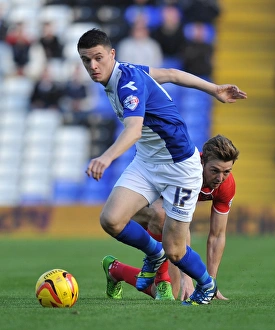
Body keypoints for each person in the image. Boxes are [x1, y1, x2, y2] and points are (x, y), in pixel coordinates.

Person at [77, 28, 247, 306]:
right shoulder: (126, 72)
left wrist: (105, 158)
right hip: (147, 161)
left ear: (112, 54)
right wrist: (214, 89)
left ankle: (206, 284)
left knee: (177, 251)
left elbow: (134, 130)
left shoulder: (126, 84)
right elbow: (171, 74)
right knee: (111, 220)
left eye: (98, 58)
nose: (93, 66)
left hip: (180, 167)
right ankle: (154, 254)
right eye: (86, 61)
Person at [101, 134, 239, 301]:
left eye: (226, 172)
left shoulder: (226, 185)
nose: (220, 178)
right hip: (141, 208)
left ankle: (115, 270)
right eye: (215, 171)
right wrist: (187, 279)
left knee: (170, 295)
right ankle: (160, 275)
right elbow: (180, 225)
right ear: (202, 163)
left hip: (169, 220)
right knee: (162, 214)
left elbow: (217, 236)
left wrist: (210, 283)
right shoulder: (185, 168)